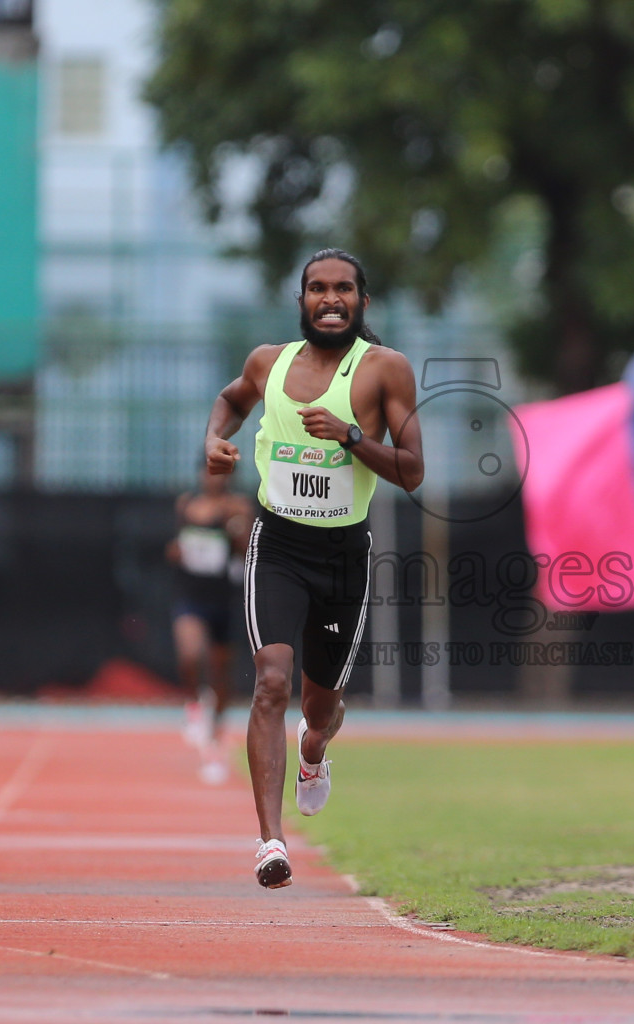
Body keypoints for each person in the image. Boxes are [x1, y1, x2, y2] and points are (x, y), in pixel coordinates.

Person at [203, 248, 424, 888]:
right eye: (317, 288)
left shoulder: (384, 371)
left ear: (363, 301)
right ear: (300, 299)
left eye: (344, 289)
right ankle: (270, 841)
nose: (331, 299)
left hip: (343, 554)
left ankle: (314, 750)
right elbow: (230, 399)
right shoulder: (267, 363)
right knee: (271, 681)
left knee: (320, 706)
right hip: (277, 545)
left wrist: (351, 436)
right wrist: (215, 440)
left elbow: (413, 471)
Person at [168, 466, 253, 783]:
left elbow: (247, 549)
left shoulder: (238, 506)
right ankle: (193, 705)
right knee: (190, 654)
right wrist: (176, 551)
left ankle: (214, 740)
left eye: (220, 473)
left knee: (221, 673)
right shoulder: (186, 504)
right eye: (208, 471)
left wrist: (236, 530)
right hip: (190, 595)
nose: (213, 478)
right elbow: (176, 545)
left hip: (224, 599)